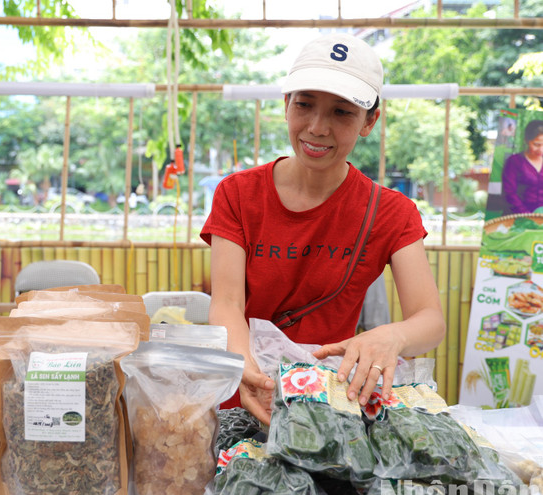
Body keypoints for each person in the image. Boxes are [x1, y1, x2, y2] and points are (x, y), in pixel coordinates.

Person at [200, 33, 446, 425]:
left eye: (341, 112)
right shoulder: (238, 194)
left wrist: (391, 336)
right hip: (246, 398)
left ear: (370, 121)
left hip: (330, 408)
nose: (317, 127)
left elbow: (430, 320)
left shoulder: (392, 212)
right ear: (285, 104)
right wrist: (244, 368)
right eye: (305, 105)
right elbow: (227, 304)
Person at [501, 120, 543, 215]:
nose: (541, 149)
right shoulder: (515, 161)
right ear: (526, 140)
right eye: (536, 144)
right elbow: (510, 193)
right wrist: (526, 214)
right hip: (519, 216)